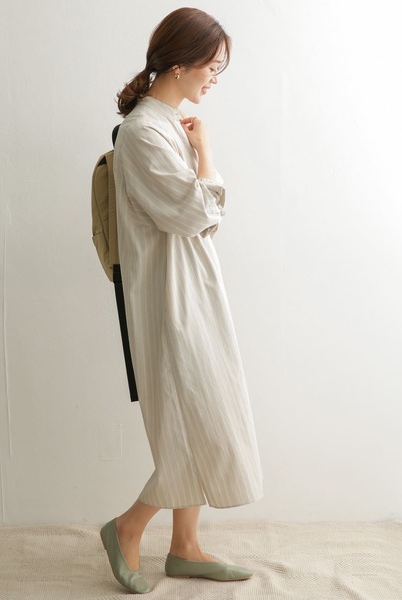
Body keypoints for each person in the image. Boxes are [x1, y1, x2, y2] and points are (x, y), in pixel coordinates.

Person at [100, 7, 263, 594]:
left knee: (201, 411)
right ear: (180, 63)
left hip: (191, 287)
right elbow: (195, 213)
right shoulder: (145, 133)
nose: (214, 78)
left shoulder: (166, 124)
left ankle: (185, 547)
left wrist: (196, 157)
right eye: (212, 67)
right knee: (190, 419)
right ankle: (127, 527)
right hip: (170, 298)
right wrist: (207, 156)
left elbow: (201, 219)